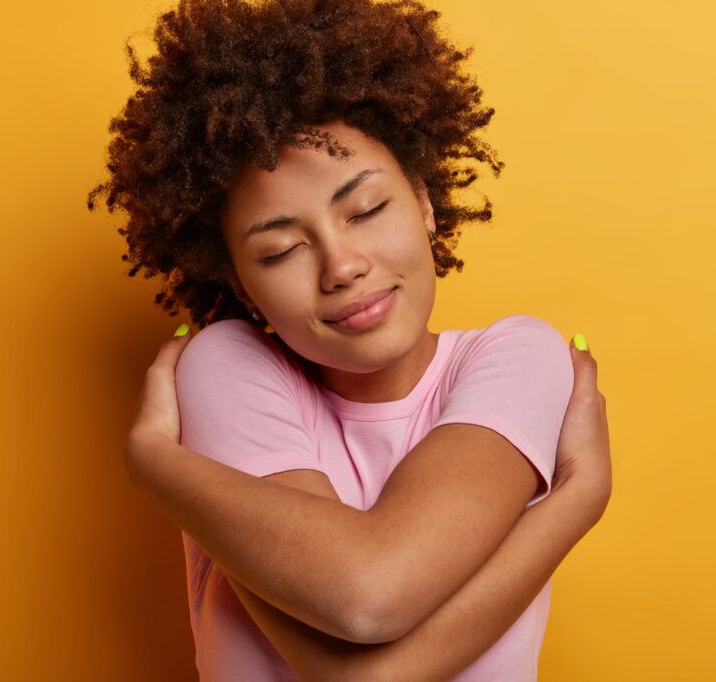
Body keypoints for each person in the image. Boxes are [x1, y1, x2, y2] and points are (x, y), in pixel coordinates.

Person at [87, 0, 612, 679]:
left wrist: (163, 469)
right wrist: (573, 504)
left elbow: (363, 624)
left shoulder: (520, 356)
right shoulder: (225, 365)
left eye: (365, 210)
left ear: (423, 200)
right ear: (241, 284)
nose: (342, 267)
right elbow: (365, 606)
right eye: (279, 251)